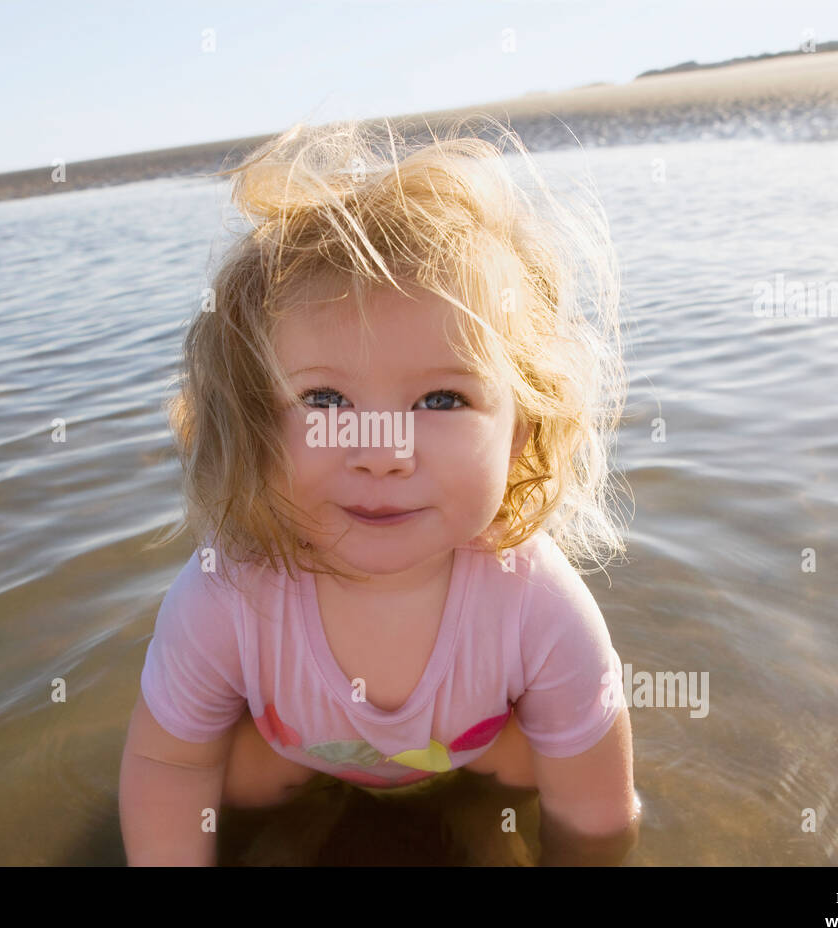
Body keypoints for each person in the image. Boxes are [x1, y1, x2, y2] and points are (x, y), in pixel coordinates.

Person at [120, 115, 640, 866]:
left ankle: (471, 824)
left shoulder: (536, 604)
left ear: (520, 430)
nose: (384, 453)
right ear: (253, 424)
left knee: (549, 758)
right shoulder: (226, 593)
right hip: (294, 760)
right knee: (216, 770)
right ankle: (299, 830)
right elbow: (167, 766)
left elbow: (598, 816)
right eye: (326, 401)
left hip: (476, 755)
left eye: (441, 402)